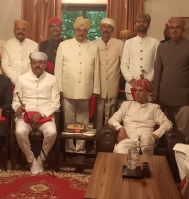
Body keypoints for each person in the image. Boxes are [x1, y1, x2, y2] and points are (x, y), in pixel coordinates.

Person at [55, 16, 100, 153]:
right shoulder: (64, 45)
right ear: (74, 30)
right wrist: (59, 89)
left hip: (85, 89)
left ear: (87, 32)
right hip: (68, 89)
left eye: (84, 30)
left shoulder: (93, 46)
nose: (81, 32)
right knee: (68, 121)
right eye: (79, 30)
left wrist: (96, 89)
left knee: (83, 121)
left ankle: (81, 148)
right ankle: (69, 148)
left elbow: (96, 69)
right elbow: (58, 69)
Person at [152, 17, 189, 142]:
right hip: (164, 97)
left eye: (178, 27)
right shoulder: (162, 47)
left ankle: (181, 160)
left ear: (183, 29)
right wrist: (155, 92)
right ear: (168, 29)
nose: (174, 30)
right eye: (172, 27)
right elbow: (158, 71)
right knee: (165, 131)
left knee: (182, 133)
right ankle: (167, 160)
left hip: (184, 98)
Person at [12, 51, 60, 175]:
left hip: (45, 117)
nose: (37, 65)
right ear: (31, 64)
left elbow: (56, 103)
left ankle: (41, 159)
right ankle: (31, 159)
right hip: (25, 116)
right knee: (20, 132)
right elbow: (15, 100)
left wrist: (42, 114)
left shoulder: (52, 79)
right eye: (35, 63)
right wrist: (18, 107)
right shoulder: (21, 79)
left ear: (45, 64)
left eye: (40, 63)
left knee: (52, 132)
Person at [108, 79, 172, 154]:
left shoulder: (154, 108)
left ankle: (146, 164)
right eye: (135, 90)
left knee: (145, 138)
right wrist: (121, 129)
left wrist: (156, 134)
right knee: (119, 149)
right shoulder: (126, 105)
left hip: (146, 139)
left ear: (147, 94)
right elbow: (112, 120)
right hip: (129, 139)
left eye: (140, 91)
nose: (137, 93)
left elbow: (167, 123)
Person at [93, 18, 124, 131]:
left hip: (113, 83)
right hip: (98, 85)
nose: (106, 29)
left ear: (112, 30)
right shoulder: (94, 44)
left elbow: (124, 63)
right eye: (104, 27)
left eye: (109, 27)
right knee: (98, 114)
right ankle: (97, 140)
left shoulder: (119, 44)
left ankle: (110, 138)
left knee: (111, 113)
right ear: (101, 28)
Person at [121, 13, 160, 101]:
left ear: (148, 24)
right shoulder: (128, 43)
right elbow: (124, 64)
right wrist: (131, 80)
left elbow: (158, 65)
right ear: (135, 25)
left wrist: (148, 80)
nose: (141, 24)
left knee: (147, 113)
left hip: (148, 88)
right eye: (138, 22)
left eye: (144, 22)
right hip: (131, 87)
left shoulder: (155, 42)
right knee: (132, 113)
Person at [1, 20, 38, 85]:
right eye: (18, 29)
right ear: (14, 30)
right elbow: (5, 65)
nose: (20, 31)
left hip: (30, 81)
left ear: (27, 31)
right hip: (11, 82)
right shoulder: (6, 45)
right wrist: (16, 80)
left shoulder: (34, 45)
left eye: (23, 29)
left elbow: (35, 64)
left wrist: (29, 79)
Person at [0, 75, 12, 154]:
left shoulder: (6, 81)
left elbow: (8, 103)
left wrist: (1, 109)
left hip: (1, 113)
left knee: (1, 133)